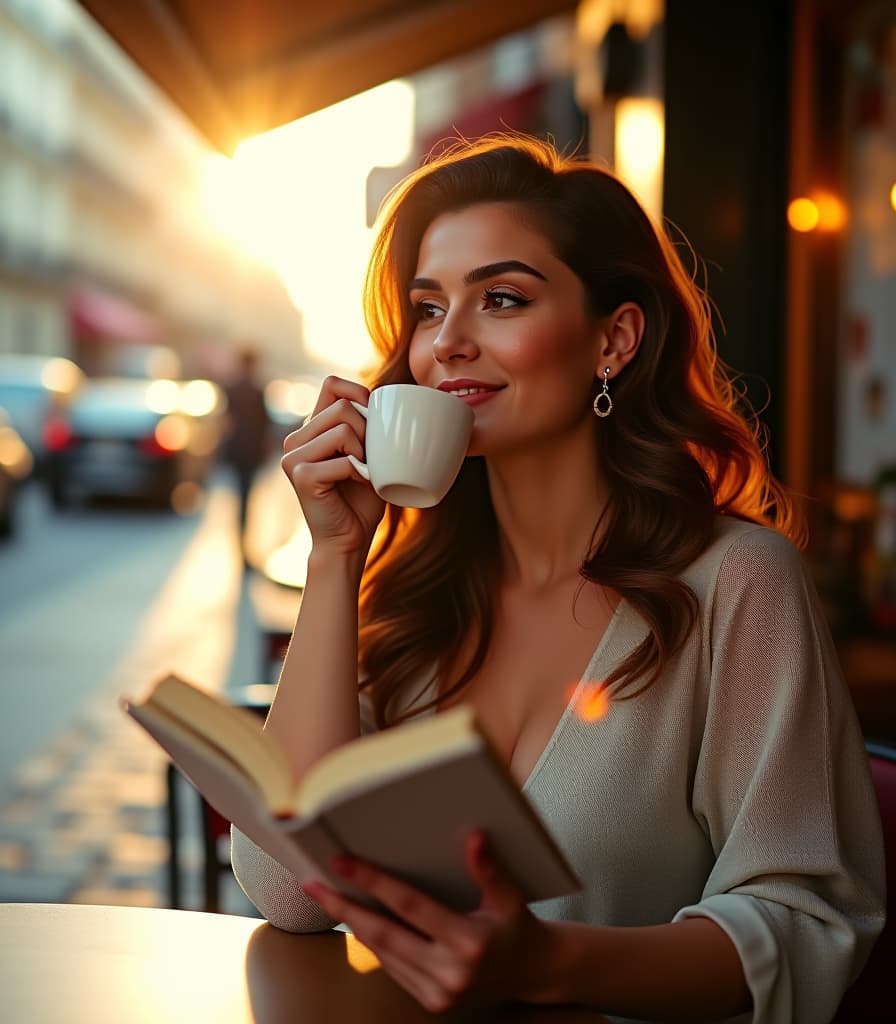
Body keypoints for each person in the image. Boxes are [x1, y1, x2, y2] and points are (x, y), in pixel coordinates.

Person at [231, 136, 885, 1022]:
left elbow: (805, 923)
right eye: (428, 309)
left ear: (613, 339)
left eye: (501, 299)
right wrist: (335, 558)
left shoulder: (735, 583)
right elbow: (289, 893)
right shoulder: (411, 586)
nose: (448, 342)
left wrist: (551, 963)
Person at [222, 347, 271, 538]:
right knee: (246, 496)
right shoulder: (258, 391)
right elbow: (264, 423)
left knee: (240, 496)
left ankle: (241, 540)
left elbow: (226, 420)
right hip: (251, 449)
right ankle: (243, 541)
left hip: (236, 447)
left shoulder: (231, 389)